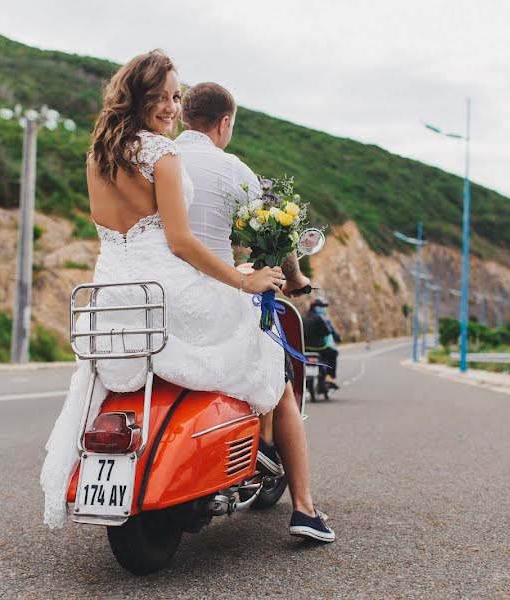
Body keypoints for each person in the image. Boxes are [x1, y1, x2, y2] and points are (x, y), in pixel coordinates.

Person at [40, 51, 332, 542]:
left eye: (177, 97)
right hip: (169, 290)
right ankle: (303, 505)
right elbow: (181, 243)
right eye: (162, 97)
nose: (171, 107)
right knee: (265, 352)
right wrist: (245, 280)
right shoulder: (162, 155)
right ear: (138, 97)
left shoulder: (98, 155)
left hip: (114, 292)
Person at [177, 82, 333, 542]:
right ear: (224, 123)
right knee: (281, 388)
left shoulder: (160, 162)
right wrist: (297, 280)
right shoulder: (232, 170)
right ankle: (304, 508)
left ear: (183, 116)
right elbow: (279, 238)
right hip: (218, 296)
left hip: (163, 301)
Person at [303, 298, 341, 390]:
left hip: (304, 348)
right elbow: (328, 331)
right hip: (320, 348)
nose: (323, 309)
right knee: (333, 353)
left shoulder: (302, 317)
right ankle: (330, 377)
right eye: (322, 307)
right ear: (316, 307)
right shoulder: (321, 318)